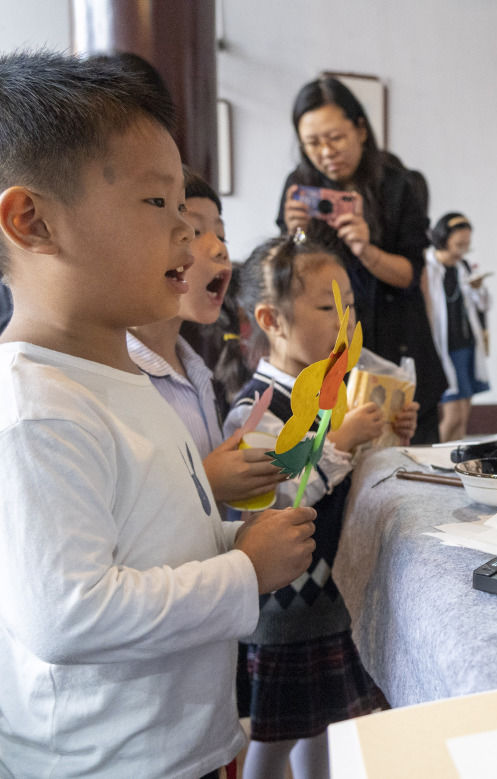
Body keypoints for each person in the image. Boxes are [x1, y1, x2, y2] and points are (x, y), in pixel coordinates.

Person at [0, 51, 316, 778]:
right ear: (33, 220)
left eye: (189, 208)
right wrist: (243, 569)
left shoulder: (130, 375)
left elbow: (155, 538)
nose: (187, 233)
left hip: (182, 745)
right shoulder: (36, 407)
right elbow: (68, 613)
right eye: (158, 204)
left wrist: (237, 533)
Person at [226, 234, 413, 779]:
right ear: (271, 319)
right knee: (273, 735)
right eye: (327, 307)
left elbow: (353, 484)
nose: (345, 321)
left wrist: (388, 437)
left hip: (330, 594)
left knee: (324, 725)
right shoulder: (258, 407)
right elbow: (274, 502)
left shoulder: (336, 394)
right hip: (285, 605)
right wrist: (340, 443)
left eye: (350, 305)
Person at [278, 76, 446, 443]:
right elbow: (288, 278)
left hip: (395, 344)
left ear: (361, 129)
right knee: (334, 470)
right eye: (312, 143)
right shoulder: (299, 187)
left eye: (335, 138)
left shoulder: (398, 184)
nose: (325, 152)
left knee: (405, 463)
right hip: (328, 354)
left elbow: (408, 274)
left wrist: (367, 250)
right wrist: (296, 236)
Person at [127, 166, 286, 507]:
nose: (219, 249)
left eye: (222, 235)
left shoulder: (194, 367)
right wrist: (208, 484)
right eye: (196, 230)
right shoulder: (122, 371)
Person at [425, 212, 490, 442]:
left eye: (467, 244)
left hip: (466, 346)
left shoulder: (463, 266)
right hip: (444, 348)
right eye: (458, 244)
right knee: (452, 416)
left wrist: (478, 287)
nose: (463, 249)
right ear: (443, 240)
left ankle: (456, 461)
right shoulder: (428, 267)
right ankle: (436, 460)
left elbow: (483, 305)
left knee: (463, 417)